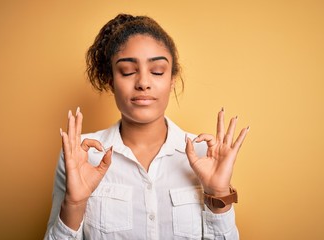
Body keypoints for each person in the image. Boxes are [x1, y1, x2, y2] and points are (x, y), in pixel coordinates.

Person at [44, 13, 249, 240]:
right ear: (111, 81)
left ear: (172, 79)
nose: (143, 83)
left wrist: (218, 195)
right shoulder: (80, 155)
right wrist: (74, 203)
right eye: (128, 71)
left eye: (157, 71)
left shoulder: (204, 156)